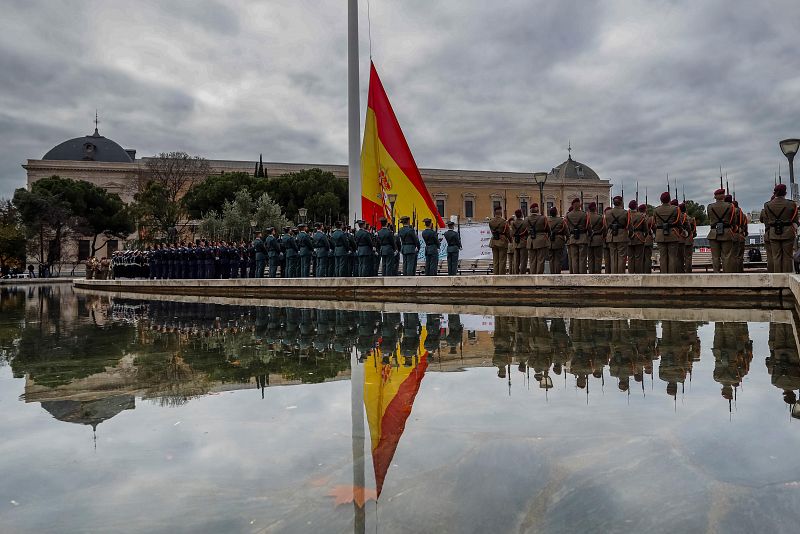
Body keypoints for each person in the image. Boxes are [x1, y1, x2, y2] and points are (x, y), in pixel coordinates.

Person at [762, 183, 799, 273]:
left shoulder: (767, 205)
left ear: (775, 193)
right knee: (787, 256)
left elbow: (767, 218)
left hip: (773, 232)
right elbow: (795, 220)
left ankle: (777, 279)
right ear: (785, 192)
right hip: (787, 232)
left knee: (776, 256)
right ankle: (786, 278)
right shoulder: (791, 204)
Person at [707, 188, 735, 273]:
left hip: (713, 233)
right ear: (724, 196)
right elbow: (733, 220)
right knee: (727, 256)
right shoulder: (730, 206)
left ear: (715, 197)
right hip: (726, 232)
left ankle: (716, 274)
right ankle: (727, 274)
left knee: (715, 257)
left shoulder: (710, 207)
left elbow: (709, 218)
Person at [653, 192, 681, 273]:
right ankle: (672, 276)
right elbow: (678, 222)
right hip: (672, 234)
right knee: (672, 257)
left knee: (663, 257)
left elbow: (655, 223)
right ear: (669, 199)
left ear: (661, 200)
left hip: (660, 235)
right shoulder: (675, 209)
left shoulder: (656, 210)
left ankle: (663, 275)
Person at [604, 196, 630, 274]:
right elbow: (629, 225)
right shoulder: (625, 213)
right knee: (622, 257)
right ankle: (621, 274)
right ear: (621, 202)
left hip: (611, 236)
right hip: (622, 236)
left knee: (613, 257)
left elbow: (606, 226)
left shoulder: (607, 213)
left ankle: (613, 274)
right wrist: (630, 234)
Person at [565, 198, 589, 274]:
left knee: (574, 258)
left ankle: (575, 274)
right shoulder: (584, 214)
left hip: (572, 238)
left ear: (572, 205)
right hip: (582, 237)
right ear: (580, 205)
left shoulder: (568, 215)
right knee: (582, 258)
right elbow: (588, 226)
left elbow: (567, 227)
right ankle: (582, 275)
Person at [526, 203, 549, 275]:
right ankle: (539, 275)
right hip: (541, 240)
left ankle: (533, 275)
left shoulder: (526, 219)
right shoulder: (543, 218)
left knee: (532, 260)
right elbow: (547, 228)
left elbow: (526, 229)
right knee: (540, 259)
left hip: (531, 240)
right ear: (537, 209)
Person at [489, 207, 510, 275]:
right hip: (502, 241)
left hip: (494, 241)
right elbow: (507, 232)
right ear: (501, 213)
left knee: (495, 261)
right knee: (502, 260)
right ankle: (501, 276)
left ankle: (495, 275)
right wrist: (510, 240)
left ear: (494, 213)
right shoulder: (504, 222)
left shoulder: (491, 221)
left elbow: (492, 231)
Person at [627, 200, 646, 274]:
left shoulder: (627, 215)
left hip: (629, 238)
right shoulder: (641, 216)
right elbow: (646, 230)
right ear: (636, 206)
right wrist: (644, 236)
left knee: (630, 258)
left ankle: (631, 274)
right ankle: (638, 274)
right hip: (639, 237)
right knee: (638, 258)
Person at [586, 202, 605, 274]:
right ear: (595, 208)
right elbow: (604, 228)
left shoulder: (586, 217)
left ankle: (591, 272)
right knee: (598, 258)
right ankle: (597, 273)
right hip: (598, 238)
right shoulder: (600, 217)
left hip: (589, 239)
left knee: (590, 258)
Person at [547, 206, 567, 274]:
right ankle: (557, 274)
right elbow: (566, 231)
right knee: (558, 259)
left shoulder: (547, 220)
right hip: (559, 241)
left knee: (551, 259)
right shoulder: (561, 220)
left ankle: (552, 274)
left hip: (549, 241)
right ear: (556, 212)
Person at [509, 209, 528, 274]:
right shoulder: (525, 222)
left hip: (515, 243)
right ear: (522, 214)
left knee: (516, 260)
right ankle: (522, 274)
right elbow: (527, 232)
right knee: (523, 260)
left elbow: (511, 234)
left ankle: (516, 273)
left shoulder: (512, 223)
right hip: (523, 242)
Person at [680, 202, 697, 273]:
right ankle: (689, 273)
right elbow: (694, 232)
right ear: (686, 210)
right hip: (689, 240)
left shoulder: (678, 218)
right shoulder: (691, 219)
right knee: (688, 258)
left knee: (680, 258)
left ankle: (680, 272)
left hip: (680, 239)